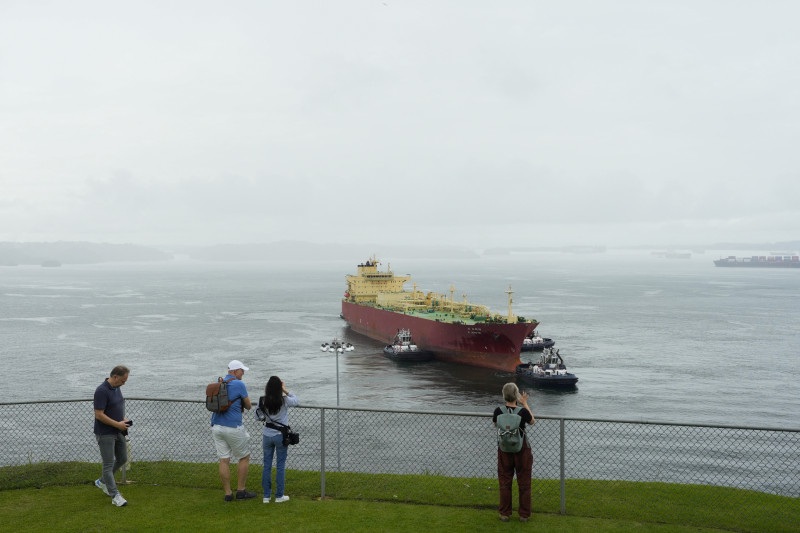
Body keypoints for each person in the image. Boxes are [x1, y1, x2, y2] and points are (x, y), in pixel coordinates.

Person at [210, 360, 257, 501]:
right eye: (242, 370)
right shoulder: (239, 384)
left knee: (224, 460)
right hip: (233, 427)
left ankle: (228, 493)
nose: (243, 373)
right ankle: (241, 491)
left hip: (217, 426)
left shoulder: (219, 382)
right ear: (235, 371)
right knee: (244, 457)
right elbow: (248, 405)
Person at [493, 382, 534, 522]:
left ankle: (504, 513)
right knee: (524, 481)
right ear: (516, 395)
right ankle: (524, 514)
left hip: (504, 448)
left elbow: (495, 424)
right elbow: (532, 421)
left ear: (504, 395)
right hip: (522, 448)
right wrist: (525, 404)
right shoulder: (522, 412)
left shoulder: (498, 411)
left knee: (505, 480)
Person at [255, 376, 299, 503]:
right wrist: (285, 390)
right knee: (280, 465)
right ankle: (279, 495)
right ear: (279, 388)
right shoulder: (284, 400)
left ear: (267, 387)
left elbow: (257, 417)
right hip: (280, 436)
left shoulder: (262, 401)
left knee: (266, 466)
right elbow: (296, 400)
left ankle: (266, 496)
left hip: (267, 435)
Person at [93, 365, 131, 507]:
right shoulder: (101, 391)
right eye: (123, 380)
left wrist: (124, 419)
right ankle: (115, 495)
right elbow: (99, 415)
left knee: (122, 458)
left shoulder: (116, 388)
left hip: (118, 430)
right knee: (108, 464)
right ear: (115, 377)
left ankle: (102, 481)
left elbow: (118, 407)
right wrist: (117, 424)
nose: (124, 383)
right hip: (105, 433)